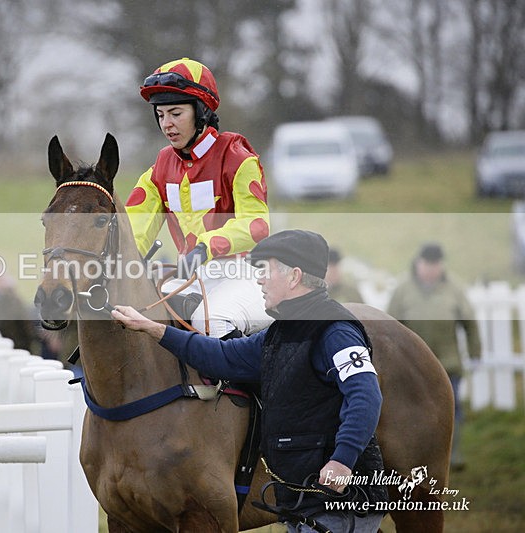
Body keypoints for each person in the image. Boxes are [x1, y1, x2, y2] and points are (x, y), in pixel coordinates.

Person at [112, 230, 387, 532]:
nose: (259, 280)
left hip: (338, 505)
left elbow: (365, 396)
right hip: (305, 503)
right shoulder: (278, 333)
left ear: (294, 276)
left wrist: (343, 461)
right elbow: (222, 356)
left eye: (266, 271)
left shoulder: (336, 331)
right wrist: (153, 329)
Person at [125, 57, 271, 339]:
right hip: (191, 278)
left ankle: (233, 385)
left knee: (211, 321)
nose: (167, 124)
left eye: (176, 113)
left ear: (201, 111)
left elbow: (257, 225)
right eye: (161, 115)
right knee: (143, 314)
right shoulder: (160, 168)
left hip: (246, 274)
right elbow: (135, 227)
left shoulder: (238, 157)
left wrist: (205, 248)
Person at [386, 242, 481, 470]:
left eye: (435, 265)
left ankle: (451, 455)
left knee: (450, 410)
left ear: (441, 265)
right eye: (427, 264)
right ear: (418, 264)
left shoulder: (455, 289)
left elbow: (470, 323)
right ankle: (412, 458)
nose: (431, 269)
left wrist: (475, 353)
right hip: (411, 368)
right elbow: (389, 327)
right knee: (410, 413)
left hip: (447, 365)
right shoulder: (403, 290)